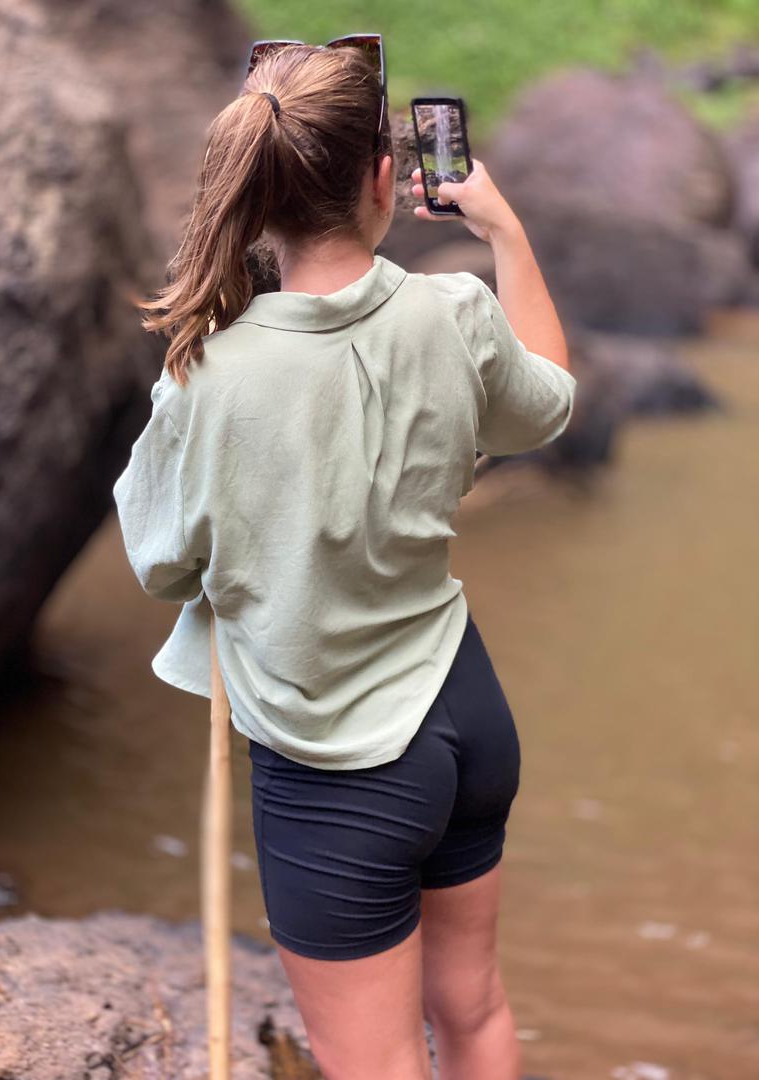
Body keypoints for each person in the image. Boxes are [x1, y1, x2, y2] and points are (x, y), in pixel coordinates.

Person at [112, 41, 575, 1080]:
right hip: (465, 713)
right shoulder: (454, 315)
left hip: (339, 769)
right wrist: (500, 226)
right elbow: (548, 403)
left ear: (259, 190)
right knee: (474, 1010)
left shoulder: (206, 381)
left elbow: (160, 564)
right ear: (384, 178)